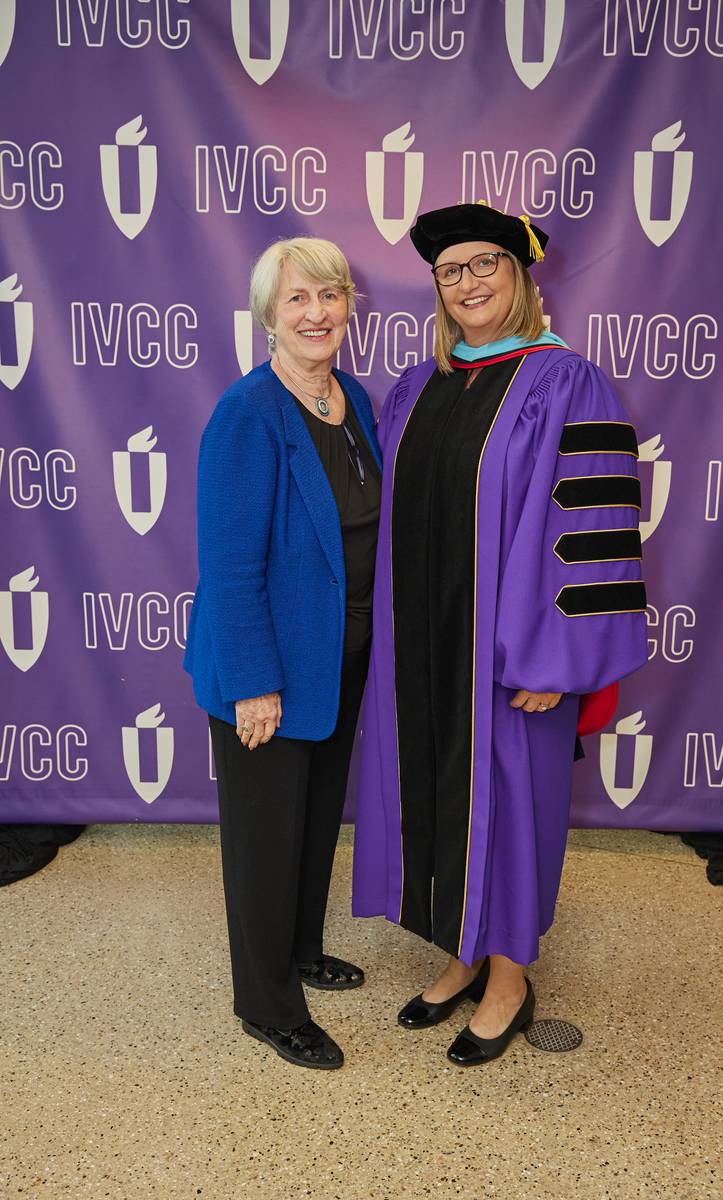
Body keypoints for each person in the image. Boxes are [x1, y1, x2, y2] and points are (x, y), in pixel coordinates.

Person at [353, 203, 648, 1066]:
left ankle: (511, 980)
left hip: (517, 657)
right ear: (438, 290)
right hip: (424, 651)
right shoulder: (421, 385)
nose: (471, 281)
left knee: (513, 812)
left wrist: (560, 659)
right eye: (453, 270)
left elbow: (590, 530)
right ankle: (462, 953)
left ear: (521, 275)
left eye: (487, 263)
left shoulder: (569, 384)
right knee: (440, 803)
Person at [184, 237, 381, 1071]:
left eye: (330, 296)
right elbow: (229, 564)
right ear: (269, 314)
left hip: (341, 660)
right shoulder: (248, 412)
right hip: (268, 672)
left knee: (310, 826)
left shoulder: (355, 399)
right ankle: (265, 1003)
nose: (317, 313)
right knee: (265, 840)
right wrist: (255, 684)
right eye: (298, 299)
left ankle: (300, 949)